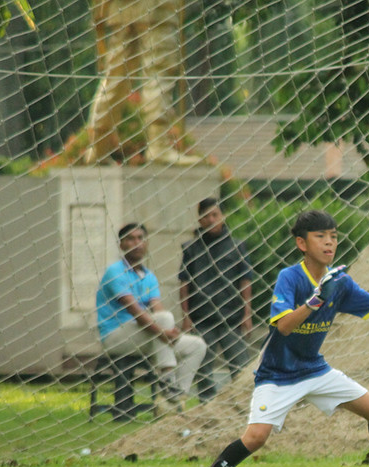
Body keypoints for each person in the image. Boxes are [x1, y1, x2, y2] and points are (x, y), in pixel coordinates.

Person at [178, 210, 369, 467]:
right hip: (277, 374)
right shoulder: (290, 278)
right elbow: (284, 326)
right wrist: (315, 301)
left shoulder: (340, 282)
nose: (329, 242)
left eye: (333, 236)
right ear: (301, 244)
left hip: (314, 370)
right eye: (320, 236)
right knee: (256, 438)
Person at [96, 223, 208, 415]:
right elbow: (136, 312)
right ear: (121, 244)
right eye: (130, 239)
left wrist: (169, 331)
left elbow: (158, 310)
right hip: (116, 337)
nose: (137, 243)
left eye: (141, 238)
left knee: (197, 346)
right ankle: (167, 380)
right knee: (163, 320)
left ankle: (174, 399)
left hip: (146, 337)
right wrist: (165, 332)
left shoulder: (149, 276)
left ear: (146, 243)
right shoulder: (115, 272)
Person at [83, 0, 197, 165]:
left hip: (119, 7)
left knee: (116, 76)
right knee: (159, 70)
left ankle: (98, 147)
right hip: (156, 7)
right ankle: (159, 145)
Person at [179, 198, 254, 402]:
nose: (211, 220)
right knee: (204, 370)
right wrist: (186, 316)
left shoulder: (237, 246)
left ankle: (244, 404)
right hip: (202, 319)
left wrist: (247, 314)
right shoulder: (191, 248)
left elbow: (245, 281)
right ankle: (207, 406)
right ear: (199, 219)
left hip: (232, 318)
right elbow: (184, 284)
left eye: (215, 215)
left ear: (222, 216)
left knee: (240, 367)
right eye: (206, 216)